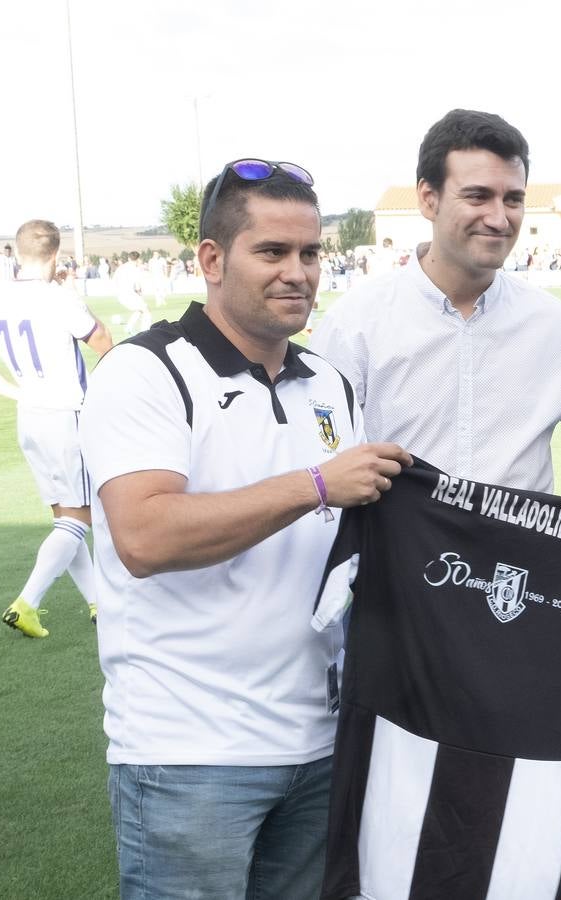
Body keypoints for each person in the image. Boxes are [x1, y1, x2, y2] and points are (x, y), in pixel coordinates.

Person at [78, 157, 411, 900]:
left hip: (320, 741)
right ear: (211, 259)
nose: (298, 272)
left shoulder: (328, 382)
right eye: (272, 252)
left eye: (311, 253)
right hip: (190, 751)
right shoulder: (148, 372)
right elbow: (145, 537)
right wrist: (318, 485)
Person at [311, 109, 561, 488]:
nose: (498, 218)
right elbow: (318, 461)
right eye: (478, 196)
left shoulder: (555, 326)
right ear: (428, 199)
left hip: (518, 549)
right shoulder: (355, 324)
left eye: (513, 199)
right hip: (396, 548)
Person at [0, 219, 112, 636]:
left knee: (65, 517)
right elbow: (103, 341)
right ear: (56, 255)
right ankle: (27, 602)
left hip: (30, 417)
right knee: (79, 518)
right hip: (66, 414)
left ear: (16, 254)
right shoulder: (60, 298)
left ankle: (97, 603)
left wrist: (20, 394)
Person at [113, 251, 149, 334]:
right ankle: (144, 333)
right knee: (146, 310)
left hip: (121, 294)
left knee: (139, 310)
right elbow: (137, 284)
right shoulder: (135, 268)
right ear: (138, 259)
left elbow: (115, 280)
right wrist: (139, 292)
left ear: (129, 258)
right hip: (130, 294)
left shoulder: (121, 268)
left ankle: (128, 328)